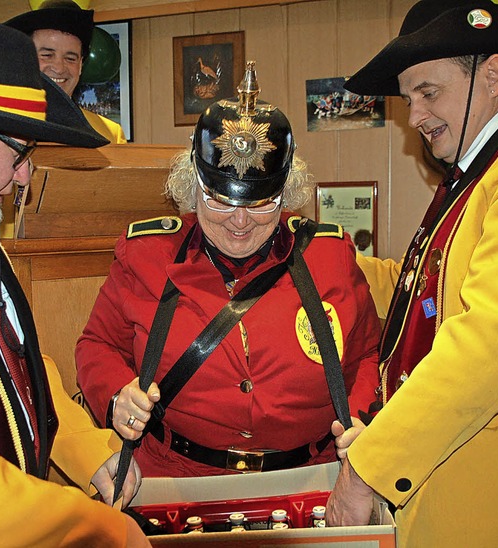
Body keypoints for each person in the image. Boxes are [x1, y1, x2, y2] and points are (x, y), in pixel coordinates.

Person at [75, 61, 381, 478]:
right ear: (193, 185)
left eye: (259, 203)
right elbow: (97, 344)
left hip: (314, 475)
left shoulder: (331, 257)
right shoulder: (145, 254)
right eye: (220, 201)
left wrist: (363, 423)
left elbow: (366, 354)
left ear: (285, 191)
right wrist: (115, 396)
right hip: (177, 475)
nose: (239, 221)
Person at [0, 13, 149, 546]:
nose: (25, 176)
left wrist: (90, 452)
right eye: (18, 152)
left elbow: (17, 364)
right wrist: (90, 526)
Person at [325, 1, 498, 545]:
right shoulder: (480, 173)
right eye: (409, 100)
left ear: (493, 75)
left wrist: (367, 467)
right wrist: (316, 251)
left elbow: (488, 343)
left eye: (429, 92)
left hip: (491, 508)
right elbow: (419, 288)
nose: (417, 116)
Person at [6, 0, 127, 144]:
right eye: (47, 55)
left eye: (70, 58)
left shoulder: (110, 135)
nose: (59, 68)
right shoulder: (2, 127)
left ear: (81, 65)